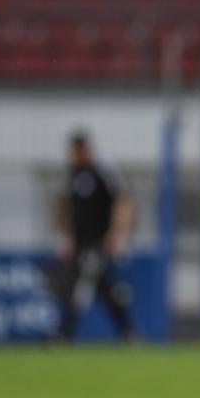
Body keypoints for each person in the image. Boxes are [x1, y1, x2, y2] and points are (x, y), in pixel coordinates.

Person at [49, 131, 135, 342]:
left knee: (80, 286)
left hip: (99, 242)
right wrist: (66, 238)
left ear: (86, 150)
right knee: (105, 289)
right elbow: (63, 206)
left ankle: (63, 333)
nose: (75, 155)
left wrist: (117, 233)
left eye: (79, 150)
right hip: (80, 243)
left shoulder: (102, 171)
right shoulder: (70, 174)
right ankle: (128, 333)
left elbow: (122, 200)